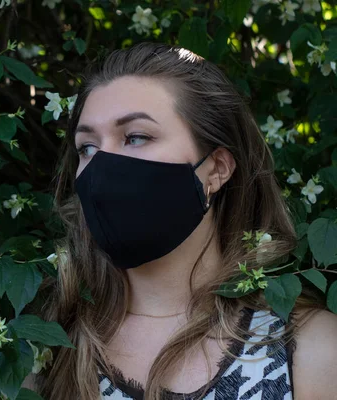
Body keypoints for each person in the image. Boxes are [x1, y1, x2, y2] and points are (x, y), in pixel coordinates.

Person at [22, 42, 337, 399]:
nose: (100, 168)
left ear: (216, 169)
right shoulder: (49, 348)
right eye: (87, 147)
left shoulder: (310, 351)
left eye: (136, 137)